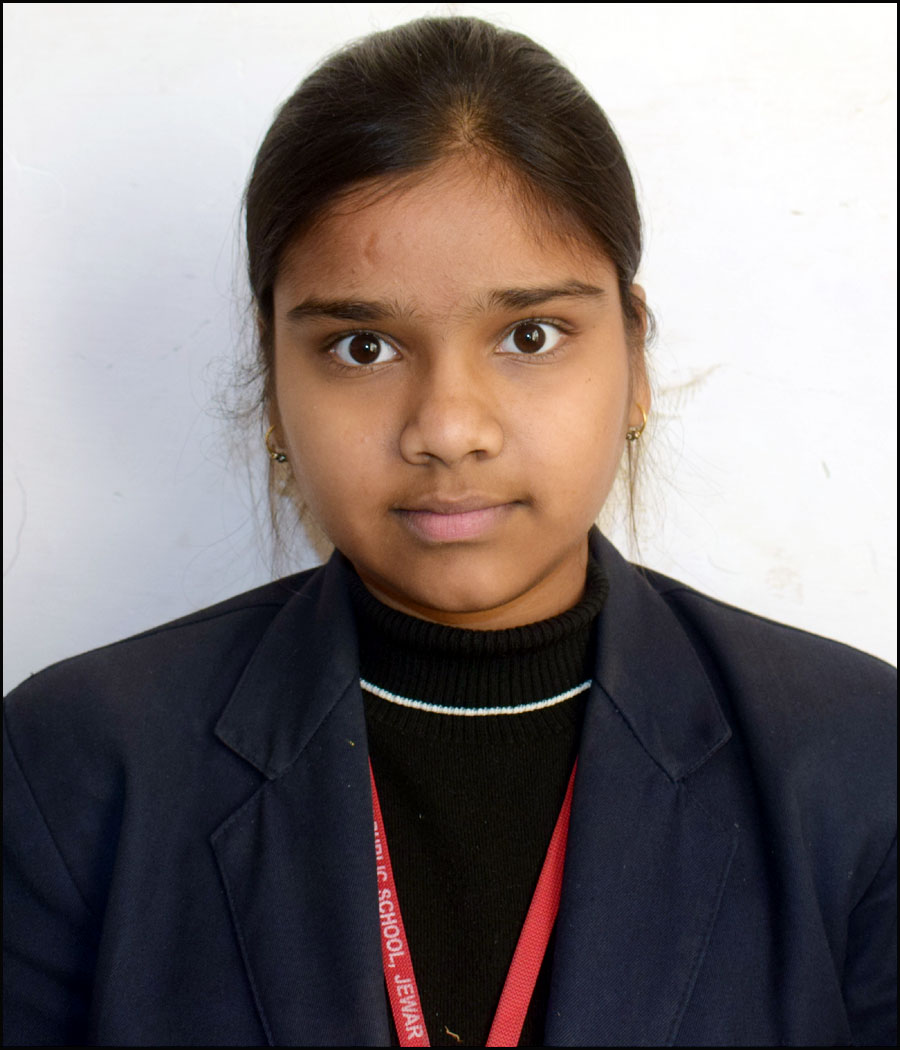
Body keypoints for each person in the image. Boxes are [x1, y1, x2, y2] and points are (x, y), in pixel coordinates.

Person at [3, 14, 895, 1048]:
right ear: (274, 385)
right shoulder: (75, 765)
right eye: (363, 346)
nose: (447, 428)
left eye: (530, 335)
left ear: (635, 359)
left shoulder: (856, 760)